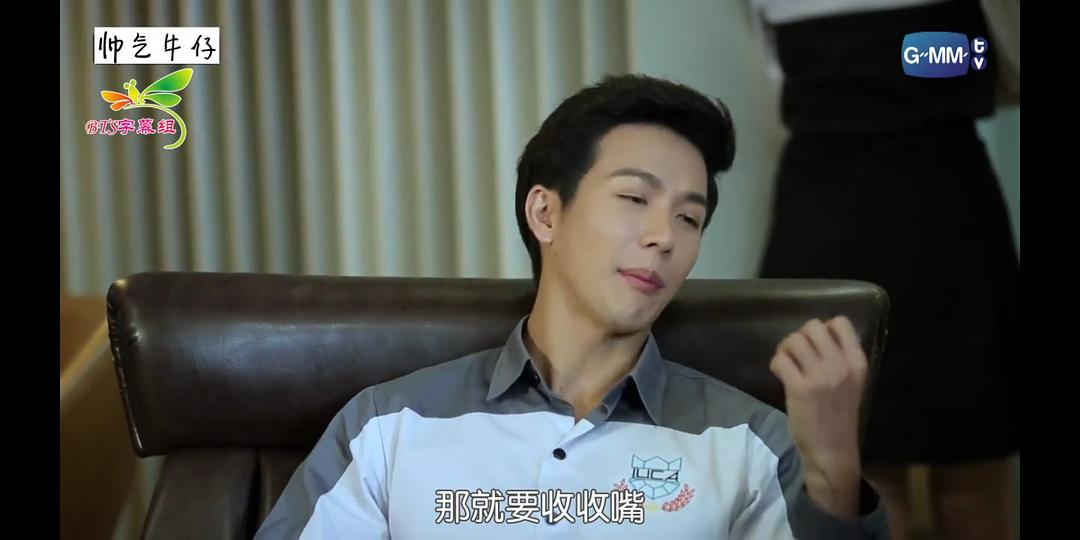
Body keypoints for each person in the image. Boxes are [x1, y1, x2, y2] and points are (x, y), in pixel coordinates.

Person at [256, 74, 889, 539]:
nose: (664, 237)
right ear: (545, 213)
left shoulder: (753, 444)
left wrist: (834, 469)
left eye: (689, 218)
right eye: (635, 199)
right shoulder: (387, 427)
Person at [751, 1, 1020, 538]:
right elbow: (1004, 65)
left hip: (826, 201)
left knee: (864, 460)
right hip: (943, 198)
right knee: (969, 467)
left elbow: (774, 68)